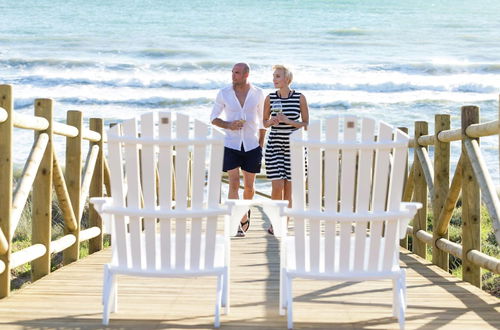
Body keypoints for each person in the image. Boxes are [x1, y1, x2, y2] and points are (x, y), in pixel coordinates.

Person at [211, 62, 266, 237]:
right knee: (234, 182)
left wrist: (261, 143)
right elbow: (214, 118)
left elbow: (264, 119)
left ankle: (243, 212)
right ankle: (236, 223)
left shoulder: (258, 93)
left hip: (251, 144)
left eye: (237, 73)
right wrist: (228, 125)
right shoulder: (224, 93)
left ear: (246, 75)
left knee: (249, 187)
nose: (233, 75)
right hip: (231, 144)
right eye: (233, 72)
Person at [263, 65, 309, 235]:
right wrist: (271, 121)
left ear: (287, 79)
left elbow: (306, 124)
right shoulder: (270, 97)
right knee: (277, 186)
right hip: (275, 145)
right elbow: (264, 122)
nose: (274, 79)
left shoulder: (299, 97)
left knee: (289, 188)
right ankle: (276, 221)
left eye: (278, 76)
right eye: (274, 76)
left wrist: (288, 121)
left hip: (293, 147)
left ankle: (284, 222)